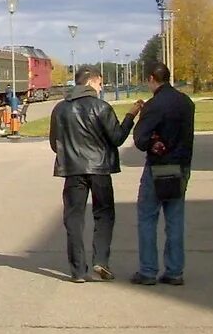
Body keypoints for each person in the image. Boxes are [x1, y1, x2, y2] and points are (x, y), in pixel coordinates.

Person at [49, 65, 139, 282]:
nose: (101, 88)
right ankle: (101, 260)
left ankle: (78, 270)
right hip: (99, 169)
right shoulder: (101, 107)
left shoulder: (60, 109)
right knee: (104, 214)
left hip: (72, 170)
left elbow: (55, 143)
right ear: (90, 82)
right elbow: (117, 138)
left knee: (74, 218)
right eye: (100, 83)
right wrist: (130, 116)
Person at [130, 64, 196, 287]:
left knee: (147, 218)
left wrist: (141, 119)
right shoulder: (186, 102)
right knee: (175, 219)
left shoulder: (154, 105)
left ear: (151, 79)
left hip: (158, 167)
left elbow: (140, 140)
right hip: (181, 165)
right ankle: (175, 270)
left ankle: (148, 270)